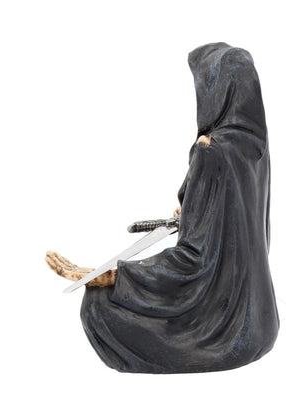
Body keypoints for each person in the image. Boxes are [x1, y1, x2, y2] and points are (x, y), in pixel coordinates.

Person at [46, 43, 279, 373]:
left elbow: (193, 261)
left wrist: (115, 276)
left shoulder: (211, 151)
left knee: (97, 306)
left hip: (224, 330)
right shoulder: (254, 146)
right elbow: (236, 225)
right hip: (262, 325)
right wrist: (195, 214)